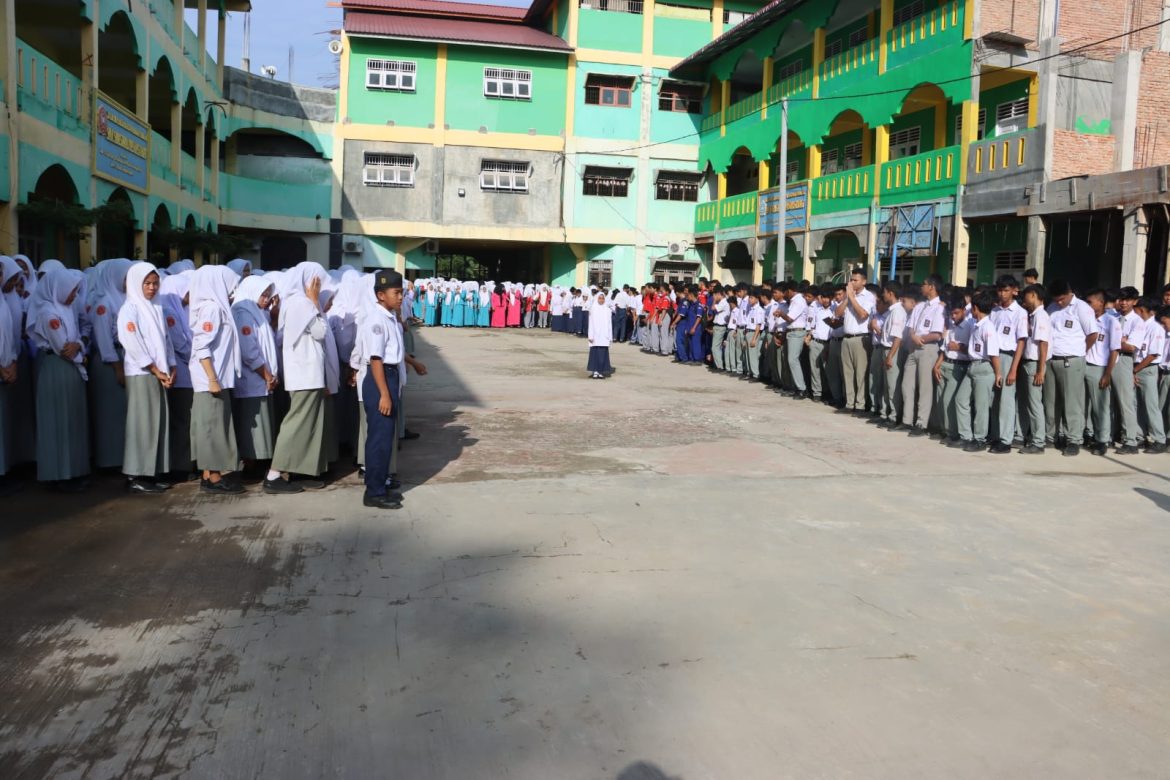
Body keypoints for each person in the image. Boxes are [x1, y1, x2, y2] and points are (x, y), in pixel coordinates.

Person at [266, 262, 329, 494]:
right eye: (317, 282)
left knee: (307, 425)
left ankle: (299, 470)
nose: (320, 288)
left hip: (305, 372)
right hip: (305, 373)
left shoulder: (292, 302)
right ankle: (274, 475)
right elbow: (321, 332)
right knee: (297, 423)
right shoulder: (303, 303)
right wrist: (314, 302)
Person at [29, 269, 90, 492]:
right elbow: (64, 348)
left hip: (70, 369)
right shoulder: (48, 314)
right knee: (58, 422)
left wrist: (79, 346)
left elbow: (75, 342)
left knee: (72, 422)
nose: (75, 295)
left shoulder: (64, 309)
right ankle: (60, 474)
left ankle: (72, 471)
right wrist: (82, 354)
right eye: (72, 291)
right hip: (59, 369)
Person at [118, 263, 175, 494]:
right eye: (147, 283)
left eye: (155, 283)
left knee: (156, 422)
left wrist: (171, 365)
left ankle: (151, 472)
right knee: (141, 424)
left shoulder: (155, 307)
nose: (152, 288)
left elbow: (166, 339)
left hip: (158, 373)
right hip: (142, 373)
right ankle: (135, 475)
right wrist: (153, 368)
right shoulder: (130, 309)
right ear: (136, 284)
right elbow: (132, 342)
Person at [189, 265, 245, 495]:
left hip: (216, 378)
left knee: (213, 426)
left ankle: (208, 474)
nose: (232, 292)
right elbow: (201, 346)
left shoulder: (215, 308)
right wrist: (212, 378)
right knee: (212, 428)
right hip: (210, 379)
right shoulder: (212, 309)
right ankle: (213, 477)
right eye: (230, 286)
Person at [358, 270, 406, 510]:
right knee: (379, 439)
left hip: (389, 377)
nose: (400, 297)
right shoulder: (376, 320)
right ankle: (374, 493)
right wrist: (385, 394)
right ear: (380, 295)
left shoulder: (389, 316)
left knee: (385, 438)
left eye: (402, 292)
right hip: (380, 380)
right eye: (396, 292)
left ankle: (379, 483)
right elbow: (375, 359)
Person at [1045, 279, 1099, 456]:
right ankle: (1051, 436)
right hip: (1052, 360)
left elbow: (1092, 334)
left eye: (1061, 299)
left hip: (1072, 360)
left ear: (1069, 292)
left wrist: (1080, 351)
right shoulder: (1052, 308)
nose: (1059, 302)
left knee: (1072, 402)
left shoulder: (1082, 308)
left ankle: (1073, 439)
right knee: (1051, 402)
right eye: (1056, 299)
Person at [90, 258, 134, 470]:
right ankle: (109, 460)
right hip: (110, 362)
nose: (128, 281)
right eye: (126, 277)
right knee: (110, 413)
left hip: (123, 357)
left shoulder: (123, 299)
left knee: (122, 413)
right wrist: (117, 367)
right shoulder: (103, 303)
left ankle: (121, 458)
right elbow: (103, 339)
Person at [232, 276, 279, 471]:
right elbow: (249, 351)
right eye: (263, 294)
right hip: (253, 378)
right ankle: (251, 463)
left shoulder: (257, 312)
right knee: (252, 423)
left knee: (262, 422)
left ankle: (259, 461)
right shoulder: (243, 313)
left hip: (262, 378)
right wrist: (267, 374)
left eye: (269, 295)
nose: (266, 299)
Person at [159, 271, 195, 481]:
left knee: (184, 422)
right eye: (187, 292)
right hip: (180, 375)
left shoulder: (177, 309)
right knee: (182, 422)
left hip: (186, 372)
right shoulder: (168, 311)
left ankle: (184, 463)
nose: (190, 296)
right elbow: (181, 344)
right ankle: (179, 466)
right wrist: (197, 355)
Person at [955, 292, 1002, 452]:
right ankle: (966, 436)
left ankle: (980, 439)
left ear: (975, 308)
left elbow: (993, 353)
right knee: (961, 399)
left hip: (984, 367)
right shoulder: (977, 325)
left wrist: (998, 374)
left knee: (981, 406)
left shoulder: (987, 327)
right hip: (973, 365)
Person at [902, 274, 946, 436]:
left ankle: (921, 423)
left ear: (932, 287)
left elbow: (937, 334)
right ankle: (907, 420)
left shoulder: (940, 308)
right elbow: (911, 326)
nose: (922, 287)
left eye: (924, 284)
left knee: (925, 387)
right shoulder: (920, 306)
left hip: (928, 348)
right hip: (914, 347)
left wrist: (920, 339)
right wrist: (914, 336)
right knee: (907, 385)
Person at [988, 275, 1028, 453]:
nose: (1002, 294)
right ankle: (995, 435)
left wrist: (1013, 369)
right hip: (992, 357)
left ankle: (1006, 439)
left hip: (1008, 357)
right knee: (994, 400)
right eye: (1000, 290)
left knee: (1006, 400)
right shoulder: (995, 311)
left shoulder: (1020, 313)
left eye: (1006, 290)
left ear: (1014, 291)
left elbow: (1021, 342)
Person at [837, 269, 875, 414]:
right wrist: (847, 298)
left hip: (860, 338)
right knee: (848, 372)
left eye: (855, 280)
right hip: (846, 338)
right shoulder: (849, 296)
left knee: (860, 373)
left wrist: (853, 298)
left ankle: (860, 404)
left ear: (863, 281)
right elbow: (838, 313)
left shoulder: (868, 297)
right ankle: (849, 402)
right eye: (851, 280)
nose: (852, 282)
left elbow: (863, 315)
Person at [1083, 289, 1116, 457]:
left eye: (1090, 302)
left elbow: (1114, 351)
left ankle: (1102, 440)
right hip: (1083, 364)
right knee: (1084, 406)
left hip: (1099, 368)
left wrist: (1107, 374)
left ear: (1101, 303)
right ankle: (1089, 434)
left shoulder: (1111, 322)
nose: (1087, 305)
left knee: (1100, 407)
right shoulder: (1085, 319)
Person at [1018, 283, 1050, 454]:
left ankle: (1038, 441)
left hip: (1034, 363)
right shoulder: (1033, 315)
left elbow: (1043, 344)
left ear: (1033, 295)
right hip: (1028, 362)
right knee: (1026, 402)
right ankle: (1027, 435)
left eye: (1026, 296)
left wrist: (1040, 370)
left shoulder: (1041, 316)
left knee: (1034, 403)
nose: (1024, 299)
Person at [1133, 297, 1166, 453]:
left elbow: (1152, 354)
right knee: (1137, 404)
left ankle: (1159, 439)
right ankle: (1140, 436)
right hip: (1137, 366)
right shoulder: (1139, 326)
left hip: (1146, 368)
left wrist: (1135, 370)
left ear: (1142, 310)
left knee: (1151, 405)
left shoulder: (1155, 328)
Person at [587, 290, 614, 379]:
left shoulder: (607, 310)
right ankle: (595, 371)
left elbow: (609, 324)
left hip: (604, 335)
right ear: (597, 299)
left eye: (603, 298)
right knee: (595, 353)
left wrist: (610, 336)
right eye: (599, 298)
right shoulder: (593, 309)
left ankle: (601, 371)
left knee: (602, 353)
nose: (601, 300)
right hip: (595, 335)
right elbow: (590, 323)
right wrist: (590, 335)